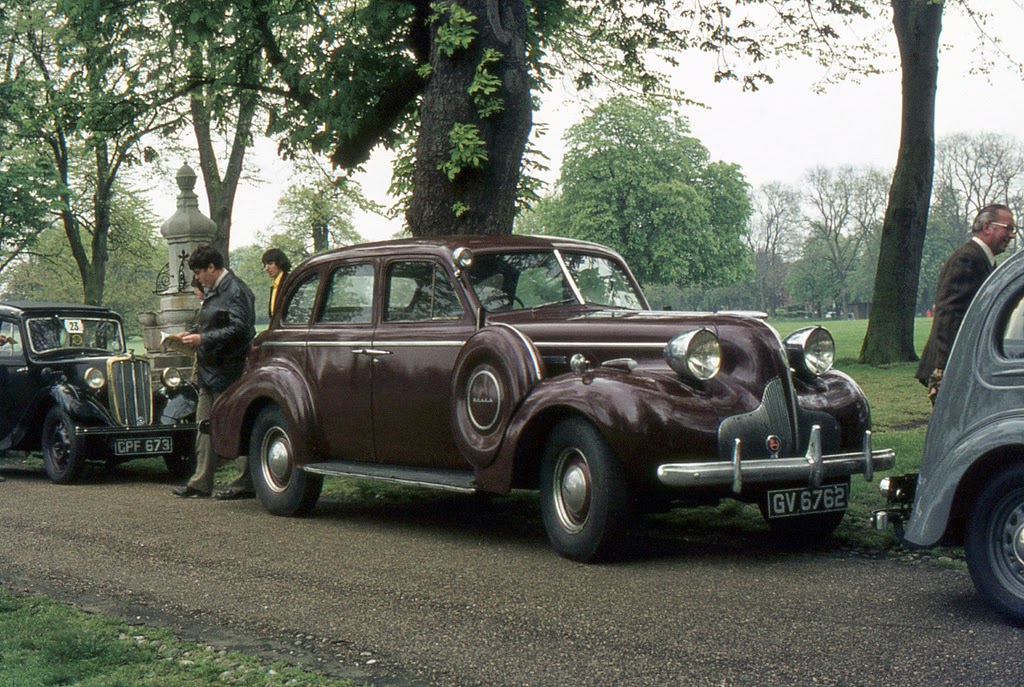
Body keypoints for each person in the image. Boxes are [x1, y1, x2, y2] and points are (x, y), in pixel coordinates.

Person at [172, 245, 257, 500]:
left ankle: (245, 482)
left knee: (233, 424)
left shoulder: (236, 290)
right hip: (211, 369)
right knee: (204, 425)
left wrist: (203, 338)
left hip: (230, 368)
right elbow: (216, 322)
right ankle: (200, 482)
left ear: (212, 267)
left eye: (199, 272)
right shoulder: (217, 291)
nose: (197, 278)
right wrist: (193, 334)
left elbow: (241, 329)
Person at [916, 203, 1016, 403]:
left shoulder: (981, 259)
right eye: (1008, 228)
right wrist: (945, 369)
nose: (1012, 236)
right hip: (952, 368)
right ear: (987, 227)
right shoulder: (967, 259)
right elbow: (950, 314)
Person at [261, 248, 291, 318]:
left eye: (270, 263)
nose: (267, 268)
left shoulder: (288, 282)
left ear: (280, 263)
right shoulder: (275, 285)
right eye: (265, 264)